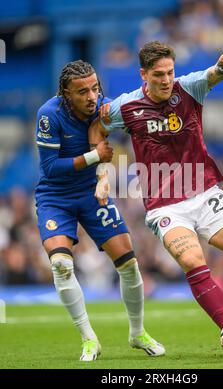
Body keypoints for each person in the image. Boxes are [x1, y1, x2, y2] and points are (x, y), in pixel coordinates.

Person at [89, 12, 223, 356]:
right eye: (158, 75)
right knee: (194, 261)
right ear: (144, 75)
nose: (166, 80)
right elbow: (97, 128)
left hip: (204, 192)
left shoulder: (190, 87)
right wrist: (102, 171)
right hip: (165, 207)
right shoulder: (125, 107)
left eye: (170, 72)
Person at [35, 60, 165, 361]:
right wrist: (94, 157)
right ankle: (89, 338)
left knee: (129, 264)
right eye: (82, 92)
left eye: (95, 89)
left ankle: (137, 333)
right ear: (66, 94)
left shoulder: (105, 107)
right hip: (55, 198)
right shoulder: (48, 115)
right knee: (61, 265)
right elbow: (50, 169)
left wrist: (104, 175)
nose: (91, 97)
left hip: (92, 196)